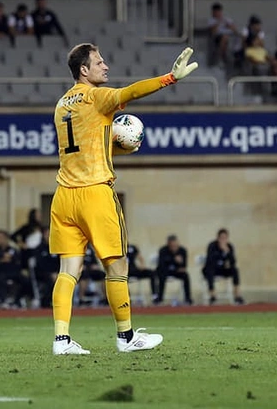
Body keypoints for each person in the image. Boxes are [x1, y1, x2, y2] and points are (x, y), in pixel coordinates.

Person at [48, 44, 197, 355]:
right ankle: (126, 337)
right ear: (84, 71)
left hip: (63, 196)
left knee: (67, 271)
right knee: (117, 266)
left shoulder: (62, 105)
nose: (106, 66)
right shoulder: (97, 97)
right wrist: (170, 78)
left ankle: (61, 340)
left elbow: (83, 148)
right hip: (95, 195)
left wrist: (114, 147)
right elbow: (129, 93)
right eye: (99, 62)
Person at [203, 229, 245, 305]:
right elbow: (210, 260)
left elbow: (233, 262)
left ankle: (237, 295)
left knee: (235, 270)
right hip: (212, 269)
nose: (223, 240)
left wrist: (227, 252)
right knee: (210, 270)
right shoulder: (212, 246)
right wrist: (221, 253)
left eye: (225, 238)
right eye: (221, 238)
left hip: (223, 270)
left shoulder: (229, 247)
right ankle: (213, 295)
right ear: (218, 238)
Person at [0, 229, 23, 309]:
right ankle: (3, 301)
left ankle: (17, 301)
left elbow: (16, 259)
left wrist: (5, 259)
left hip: (12, 273)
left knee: (25, 280)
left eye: (1, 238)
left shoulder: (13, 250)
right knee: (0, 279)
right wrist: (5, 258)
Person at [155, 235, 193, 306]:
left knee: (186, 275)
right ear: (168, 244)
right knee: (161, 276)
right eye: (172, 245)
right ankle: (159, 298)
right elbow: (161, 264)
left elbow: (184, 265)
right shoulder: (163, 250)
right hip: (165, 271)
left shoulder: (182, 250)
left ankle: (188, 298)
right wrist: (173, 259)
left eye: (175, 245)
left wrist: (180, 266)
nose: (174, 247)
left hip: (177, 271)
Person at [32, 227, 59, 308]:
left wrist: (57, 272)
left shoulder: (58, 247)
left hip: (57, 273)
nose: (49, 236)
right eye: (47, 234)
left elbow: (60, 262)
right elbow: (40, 264)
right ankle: (47, 302)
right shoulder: (39, 249)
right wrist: (51, 273)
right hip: (43, 273)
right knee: (49, 281)